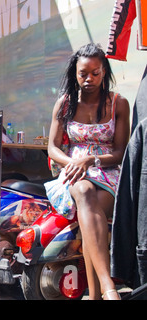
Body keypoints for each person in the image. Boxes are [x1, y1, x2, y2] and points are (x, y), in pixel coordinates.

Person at [47, 43, 130, 300]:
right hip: (74, 175)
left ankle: (96, 295)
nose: (89, 79)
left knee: (89, 219)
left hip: (108, 172)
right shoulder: (65, 103)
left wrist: (90, 160)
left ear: (104, 71)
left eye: (95, 72)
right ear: (75, 73)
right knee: (83, 191)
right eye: (83, 73)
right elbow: (52, 147)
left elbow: (120, 152)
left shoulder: (119, 103)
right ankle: (108, 287)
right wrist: (73, 163)